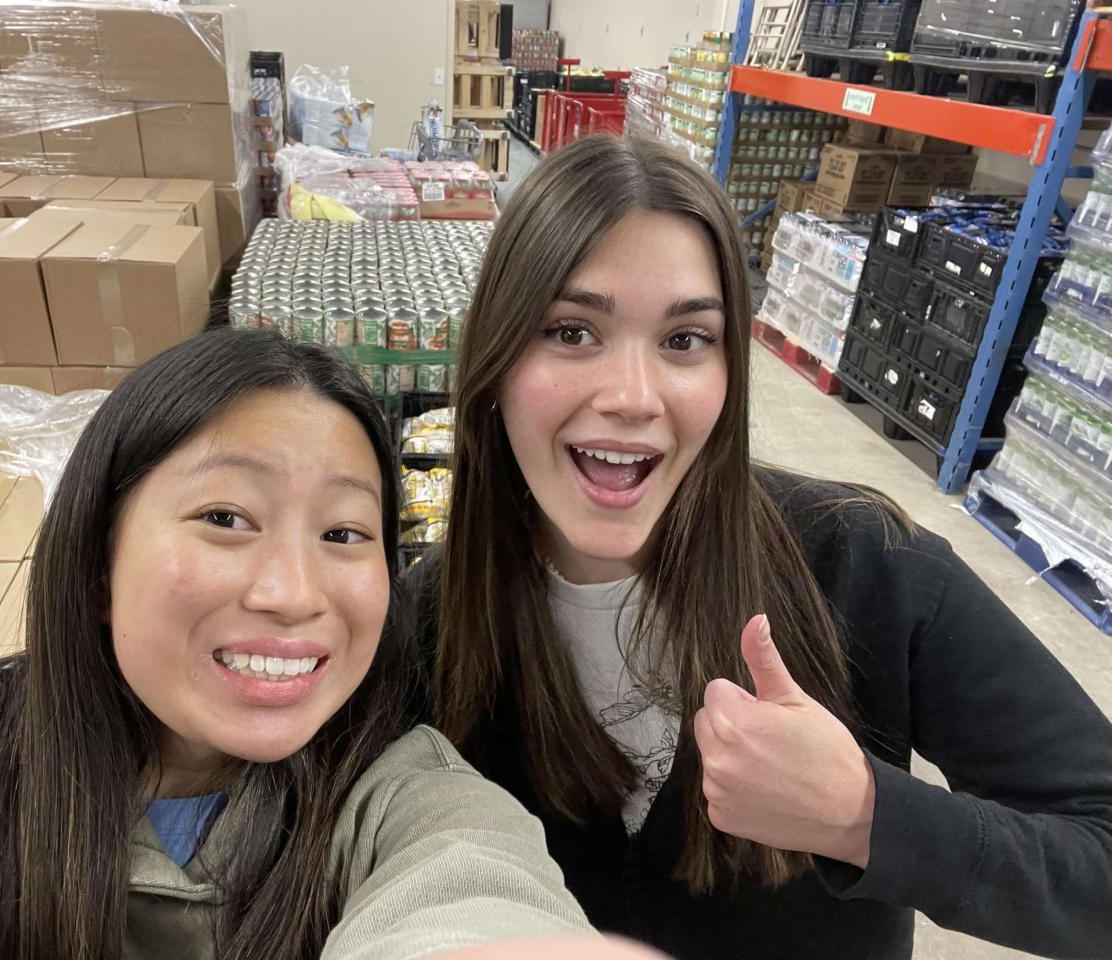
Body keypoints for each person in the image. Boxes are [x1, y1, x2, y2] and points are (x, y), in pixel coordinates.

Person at [403, 134, 1112, 960]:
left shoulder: (865, 565)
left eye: (684, 340)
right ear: (494, 358)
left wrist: (865, 816)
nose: (632, 397)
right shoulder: (425, 626)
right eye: (571, 331)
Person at [0, 328, 615, 960]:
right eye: (226, 518)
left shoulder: (406, 805)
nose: (294, 594)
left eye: (344, 533)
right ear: (97, 560)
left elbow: (478, 897)